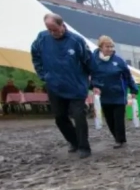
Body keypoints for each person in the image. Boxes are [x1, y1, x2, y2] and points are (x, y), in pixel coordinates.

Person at [30, 13, 93, 158]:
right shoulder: (42, 38)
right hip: (54, 85)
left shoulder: (76, 41)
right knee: (59, 117)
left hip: (76, 85)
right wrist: (43, 74)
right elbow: (35, 55)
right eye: (49, 30)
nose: (53, 33)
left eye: (55, 29)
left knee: (79, 116)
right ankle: (74, 141)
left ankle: (84, 147)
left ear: (62, 25)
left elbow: (88, 61)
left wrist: (91, 81)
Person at [89, 35, 139, 148]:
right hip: (103, 94)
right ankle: (117, 137)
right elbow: (91, 76)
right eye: (107, 47)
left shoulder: (119, 60)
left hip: (118, 94)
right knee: (109, 119)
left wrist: (133, 89)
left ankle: (120, 140)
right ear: (101, 47)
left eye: (112, 47)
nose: (110, 49)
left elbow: (127, 76)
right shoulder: (93, 60)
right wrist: (92, 86)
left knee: (118, 119)